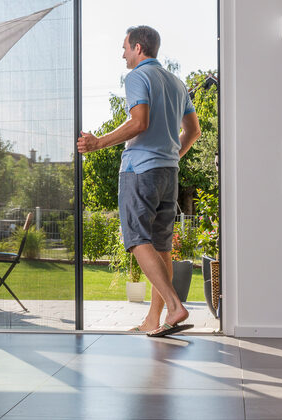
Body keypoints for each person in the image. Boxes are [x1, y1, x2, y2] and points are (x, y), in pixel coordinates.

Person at [77, 25, 201, 337]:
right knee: (161, 246)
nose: (123, 54)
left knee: (136, 239)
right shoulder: (176, 82)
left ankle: (175, 306)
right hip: (168, 172)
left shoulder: (137, 77)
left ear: (138, 48)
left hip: (140, 170)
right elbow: (194, 131)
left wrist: (98, 143)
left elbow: (139, 122)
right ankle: (154, 319)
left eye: (125, 48)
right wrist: (172, 155)